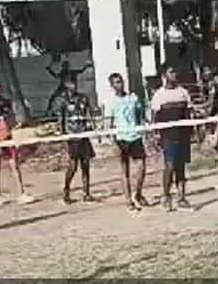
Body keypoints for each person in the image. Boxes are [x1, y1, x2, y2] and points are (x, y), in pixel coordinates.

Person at [150, 65, 194, 212]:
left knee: (181, 166)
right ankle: (166, 196)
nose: (174, 74)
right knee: (169, 165)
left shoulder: (183, 93)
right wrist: (155, 136)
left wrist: (192, 131)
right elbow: (154, 117)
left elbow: (189, 113)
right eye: (171, 72)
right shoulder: (159, 95)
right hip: (168, 136)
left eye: (175, 71)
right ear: (165, 75)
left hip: (183, 135)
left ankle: (182, 198)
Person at [104, 72, 150, 211]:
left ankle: (138, 194)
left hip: (135, 136)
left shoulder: (132, 98)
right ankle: (128, 200)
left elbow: (140, 115)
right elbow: (108, 122)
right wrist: (112, 141)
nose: (119, 84)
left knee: (141, 167)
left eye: (120, 81)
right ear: (112, 86)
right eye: (116, 82)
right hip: (121, 139)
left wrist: (145, 127)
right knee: (125, 171)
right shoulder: (110, 102)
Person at [53, 73, 98, 204]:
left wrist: (93, 128)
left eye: (74, 82)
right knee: (73, 166)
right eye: (70, 83)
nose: (73, 85)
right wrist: (63, 137)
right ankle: (66, 192)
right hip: (71, 137)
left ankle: (86, 193)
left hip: (83, 135)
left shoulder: (83, 98)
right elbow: (60, 119)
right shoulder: (62, 101)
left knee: (86, 164)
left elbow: (88, 114)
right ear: (65, 85)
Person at [0, 82, 32, 207]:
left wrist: (15, 127)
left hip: (7, 136)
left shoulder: (6, 102)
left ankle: (21, 193)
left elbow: (10, 119)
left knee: (14, 164)